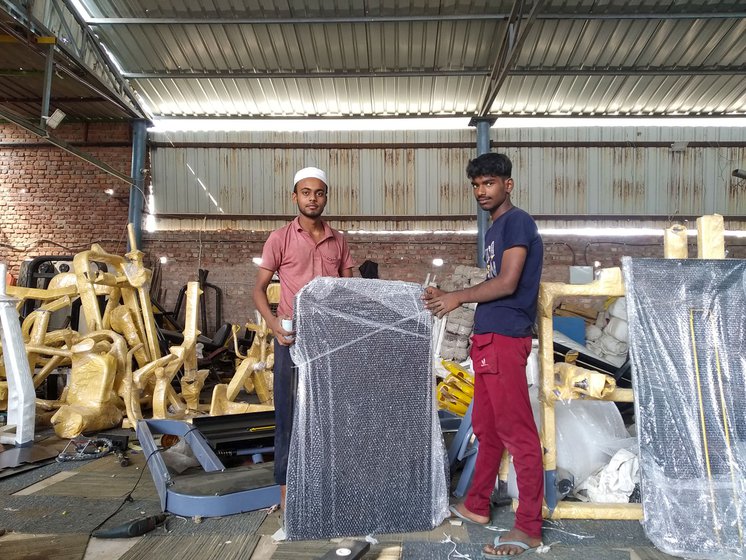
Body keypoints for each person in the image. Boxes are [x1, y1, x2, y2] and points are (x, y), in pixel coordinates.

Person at [423, 152, 544, 557]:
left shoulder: (517, 222)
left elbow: (508, 283)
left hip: (507, 338)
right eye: (476, 185)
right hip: (488, 339)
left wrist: (457, 297)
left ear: (508, 185)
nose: (481, 191)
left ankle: (528, 527)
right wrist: (448, 297)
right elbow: (491, 284)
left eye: (489, 183)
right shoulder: (493, 232)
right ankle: (477, 505)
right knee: (489, 431)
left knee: (519, 434)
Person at [253, 166, 354, 509]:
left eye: (320, 192)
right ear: (294, 197)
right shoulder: (279, 238)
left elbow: (351, 289)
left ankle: (328, 482)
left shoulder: (338, 240)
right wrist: (274, 325)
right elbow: (258, 291)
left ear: (327, 196)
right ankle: (285, 490)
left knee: (330, 411)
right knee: (288, 414)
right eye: (306, 192)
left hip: (330, 337)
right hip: (292, 336)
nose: (313, 198)